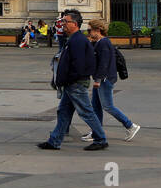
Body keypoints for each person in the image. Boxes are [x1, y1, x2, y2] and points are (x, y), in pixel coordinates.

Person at [38, 11, 108, 151]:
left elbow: (79, 65)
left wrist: (67, 79)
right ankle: (55, 141)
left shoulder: (78, 41)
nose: (62, 24)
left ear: (74, 24)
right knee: (63, 111)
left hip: (75, 83)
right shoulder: (73, 39)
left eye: (65, 22)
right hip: (71, 83)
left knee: (86, 111)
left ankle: (100, 139)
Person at [83, 19, 140, 142]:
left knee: (108, 106)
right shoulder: (100, 42)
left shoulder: (103, 43)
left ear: (97, 30)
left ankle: (130, 125)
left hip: (105, 79)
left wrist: (98, 79)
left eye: (89, 30)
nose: (88, 33)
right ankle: (96, 132)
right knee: (96, 106)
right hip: (102, 78)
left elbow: (104, 63)